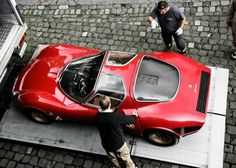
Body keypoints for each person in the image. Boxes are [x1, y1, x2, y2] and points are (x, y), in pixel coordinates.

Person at [95, 95, 138, 168]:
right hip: (118, 143)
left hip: (106, 144)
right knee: (126, 157)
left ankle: (117, 167)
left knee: (113, 158)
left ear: (100, 106)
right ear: (110, 104)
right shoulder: (115, 116)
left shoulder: (98, 116)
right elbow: (130, 120)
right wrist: (134, 116)